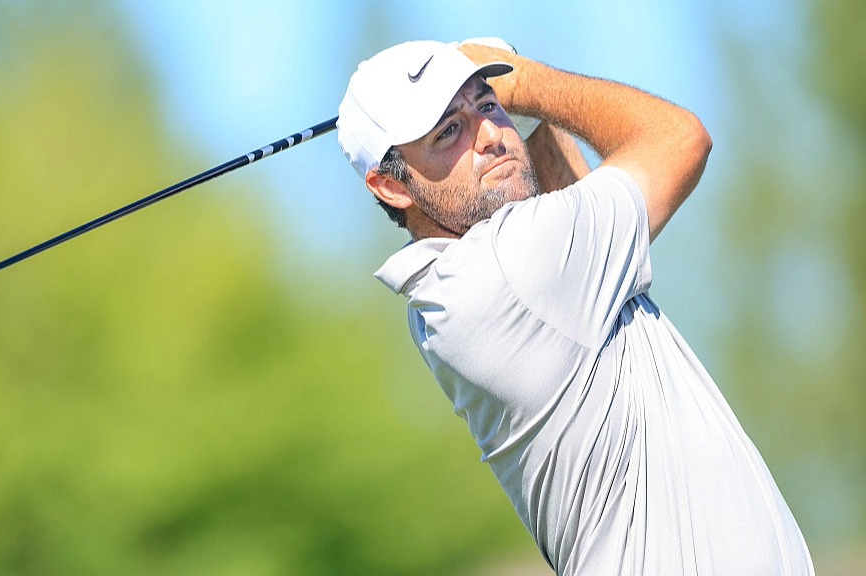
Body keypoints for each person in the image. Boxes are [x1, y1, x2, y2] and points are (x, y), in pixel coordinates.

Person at [337, 38, 815, 575]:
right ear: (390, 186)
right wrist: (528, 83)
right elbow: (681, 138)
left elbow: (557, 189)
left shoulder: (459, 287)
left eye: (487, 104)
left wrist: (514, 102)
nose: (491, 135)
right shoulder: (509, 266)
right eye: (449, 131)